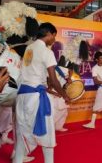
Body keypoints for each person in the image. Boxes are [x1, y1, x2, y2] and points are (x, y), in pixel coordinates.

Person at [14, 23, 70, 163]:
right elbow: (53, 79)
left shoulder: (29, 48)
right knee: (47, 135)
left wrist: (49, 89)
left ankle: (18, 160)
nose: (54, 40)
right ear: (49, 34)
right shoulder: (47, 52)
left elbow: (33, 76)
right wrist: (64, 94)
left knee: (22, 134)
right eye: (54, 36)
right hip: (36, 99)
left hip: (22, 96)